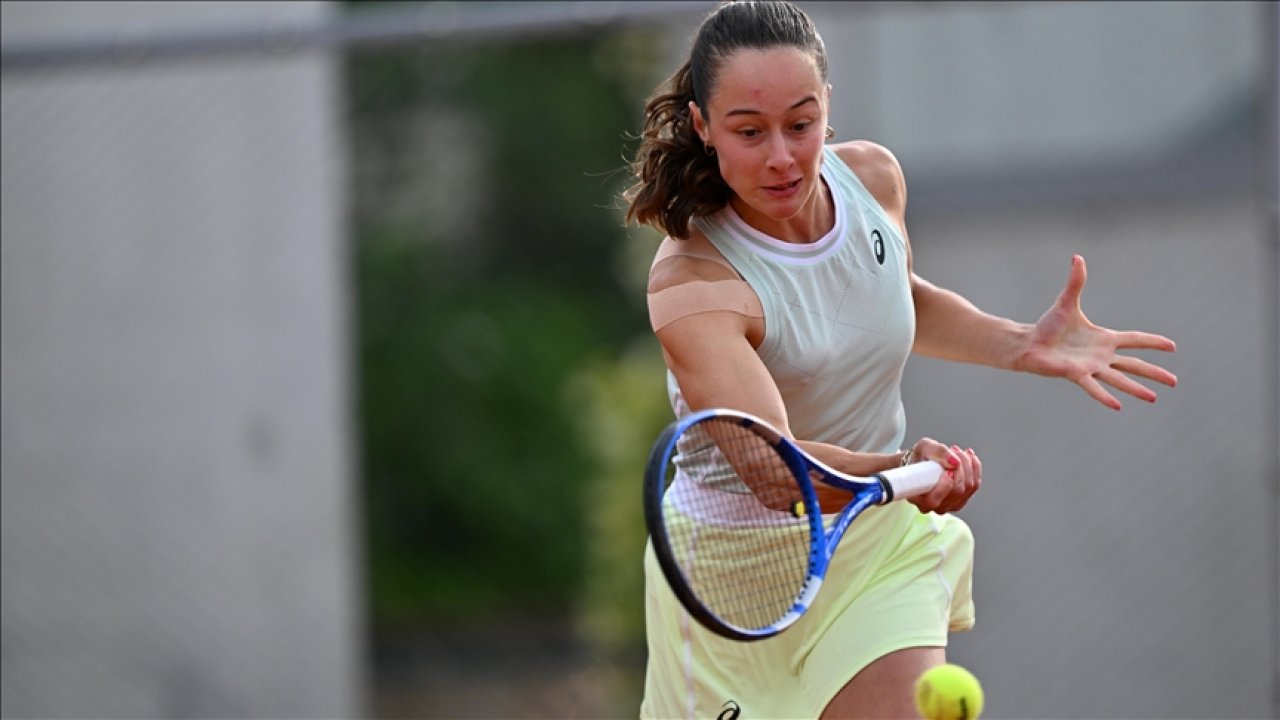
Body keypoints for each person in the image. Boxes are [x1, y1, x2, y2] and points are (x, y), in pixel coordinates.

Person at [622, 1, 1178, 717]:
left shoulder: (873, 179)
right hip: (735, 575)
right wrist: (906, 472)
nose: (783, 156)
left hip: (876, 541)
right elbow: (773, 468)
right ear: (703, 126)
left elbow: (889, 295)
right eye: (749, 132)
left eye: (801, 123)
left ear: (827, 106)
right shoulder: (691, 285)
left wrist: (1019, 342)